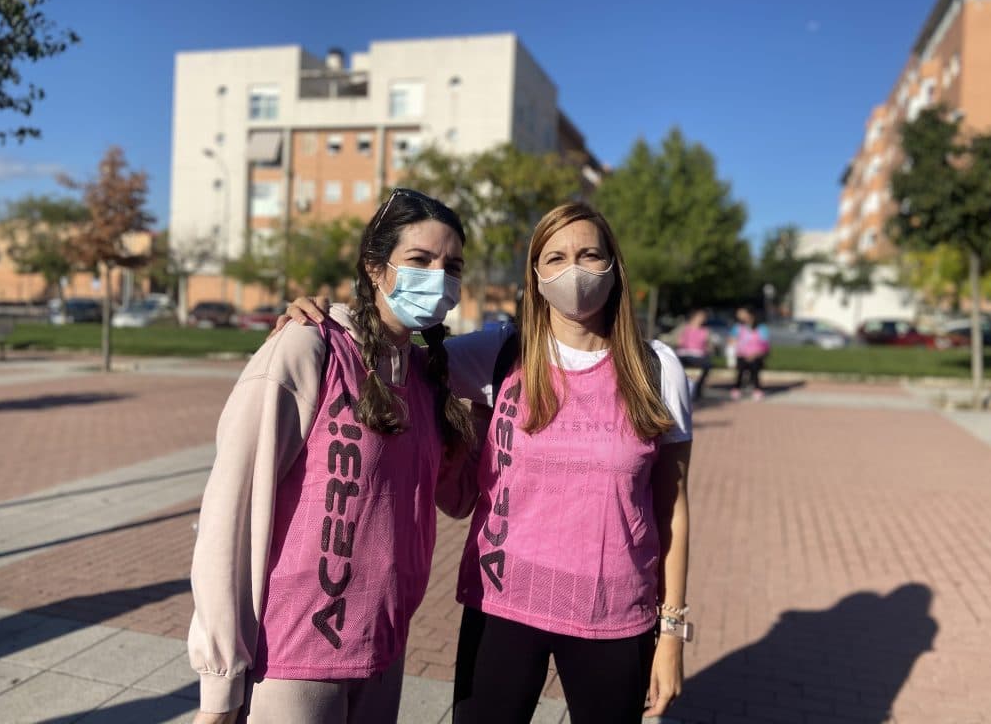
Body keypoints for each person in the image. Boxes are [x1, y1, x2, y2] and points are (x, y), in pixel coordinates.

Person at [283, 201, 695, 723]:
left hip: (613, 611)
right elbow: (388, 352)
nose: (574, 270)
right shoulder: (500, 353)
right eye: (556, 257)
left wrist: (673, 634)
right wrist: (324, 319)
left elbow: (673, 510)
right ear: (537, 273)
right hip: (503, 600)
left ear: (614, 267)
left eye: (590, 255)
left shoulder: (658, 369)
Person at [188, 188, 473, 724]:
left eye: (451, 265)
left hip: (383, 652)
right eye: (419, 260)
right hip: (296, 658)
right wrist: (220, 681)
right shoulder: (309, 347)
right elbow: (231, 508)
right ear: (374, 268)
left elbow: (458, 499)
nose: (438, 275)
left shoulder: (427, 378)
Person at [728, 306, 770, 401]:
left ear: (750, 314)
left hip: (757, 355)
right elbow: (731, 341)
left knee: (754, 365)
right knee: (741, 366)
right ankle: (736, 387)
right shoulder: (738, 327)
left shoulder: (761, 328)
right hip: (741, 355)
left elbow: (765, 345)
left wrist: (756, 354)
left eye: (742, 313)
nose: (739, 316)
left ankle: (757, 388)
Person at [675, 309, 712, 400]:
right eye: (700, 316)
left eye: (703, 317)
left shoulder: (705, 331)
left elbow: (708, 346)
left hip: (698, 355)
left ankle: (697, 390)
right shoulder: (684, 328)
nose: (702, 319)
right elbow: (677, 341)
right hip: (684, 353)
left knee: (707, 365)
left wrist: (708, 348)